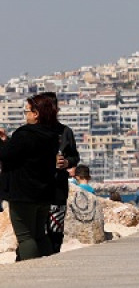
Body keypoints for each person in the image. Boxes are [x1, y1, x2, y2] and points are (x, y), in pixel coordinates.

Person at [0, 94, 61, 260]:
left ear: (36, 114)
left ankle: (31, 270)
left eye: (26, 111)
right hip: (43, 193)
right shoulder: (51, 135)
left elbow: (6, 156)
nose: (25, 115)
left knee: (25, 236)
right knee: (40, 234)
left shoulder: (24, 134)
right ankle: (50, 266)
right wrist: (7, 141)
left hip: (22, 194)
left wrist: (2, 143)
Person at [42, 92, 79, 254]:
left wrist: (67, 163)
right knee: (38, 229)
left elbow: (74, 156)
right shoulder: (32, 132)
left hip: (58, 187)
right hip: (38, 187)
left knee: (56, 230)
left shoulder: (65, 132)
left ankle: (54, 254)